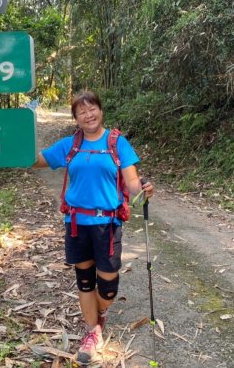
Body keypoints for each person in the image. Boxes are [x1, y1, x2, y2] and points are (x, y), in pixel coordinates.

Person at [33, 90, 154, 364]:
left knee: (108, 286)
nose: (88, 115)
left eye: (92, 109)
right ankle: (93, 332)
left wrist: (143, 190)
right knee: (85, 281)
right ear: (75, 118)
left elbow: (132, 183)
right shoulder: (70, 145)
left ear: (100, 110)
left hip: (107, 225)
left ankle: (99, 315)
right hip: (77, 223)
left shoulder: (117, 143)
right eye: (82, 112)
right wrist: (16, 139)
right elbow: (36, 160)